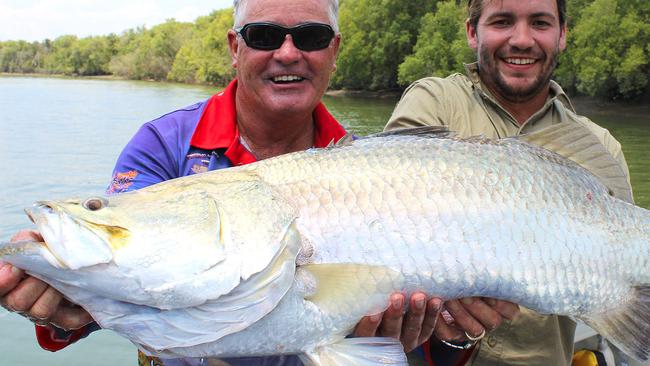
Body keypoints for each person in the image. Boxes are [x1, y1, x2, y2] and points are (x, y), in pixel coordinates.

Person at [385, 0, 633, 365]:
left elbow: (627, 284)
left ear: (563, 34)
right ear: (473, 32)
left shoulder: (601, 147)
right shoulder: (434, 103)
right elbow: (390, 221)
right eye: (502, 21)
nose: (522, 40)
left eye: (540, 23)